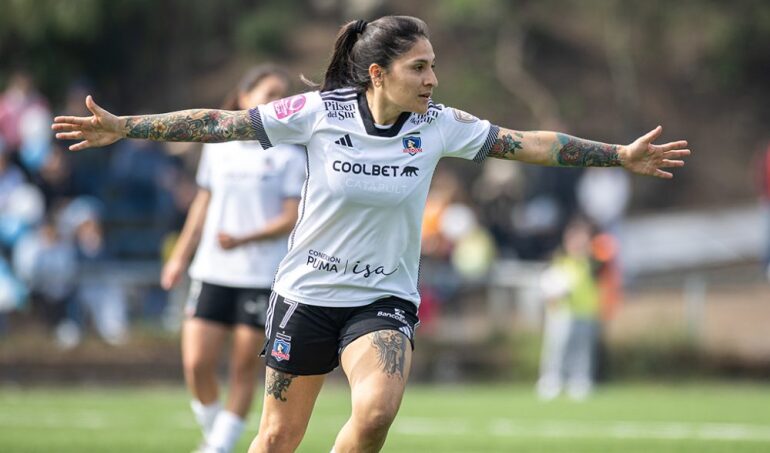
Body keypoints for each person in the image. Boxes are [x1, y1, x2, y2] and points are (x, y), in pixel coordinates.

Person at [52, 16, 690, 453]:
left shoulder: (440, 124)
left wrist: (617, 154)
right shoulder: (318, 113)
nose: (434, 79)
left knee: (377, 411)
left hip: (383, 298)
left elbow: (527, 144)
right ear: (379, 73)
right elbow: (222, 123)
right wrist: (126, 126)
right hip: (306, 294)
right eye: (421, 68)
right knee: (276, 439)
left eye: (434, 66)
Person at [158, 65, 306, 453]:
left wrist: (243, 238)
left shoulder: (288, 156)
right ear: (243, 98)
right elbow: (201, 208)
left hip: (260, 277)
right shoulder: (218, 149)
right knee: (196, 364)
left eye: (282, 96)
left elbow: (290, 217)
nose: (276, 102)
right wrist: (179, 258)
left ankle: (218, 447)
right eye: (269, 92)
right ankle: (215, 434)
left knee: (243, 371)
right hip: (211, 272)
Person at [536, 217, 601, 400]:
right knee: (557, 348)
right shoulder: (560, 261)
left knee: (583, 350)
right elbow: (549, 284)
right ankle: (551, 380)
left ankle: (579, 381)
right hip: (563, 313)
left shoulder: (592, 262)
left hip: (585, 312)